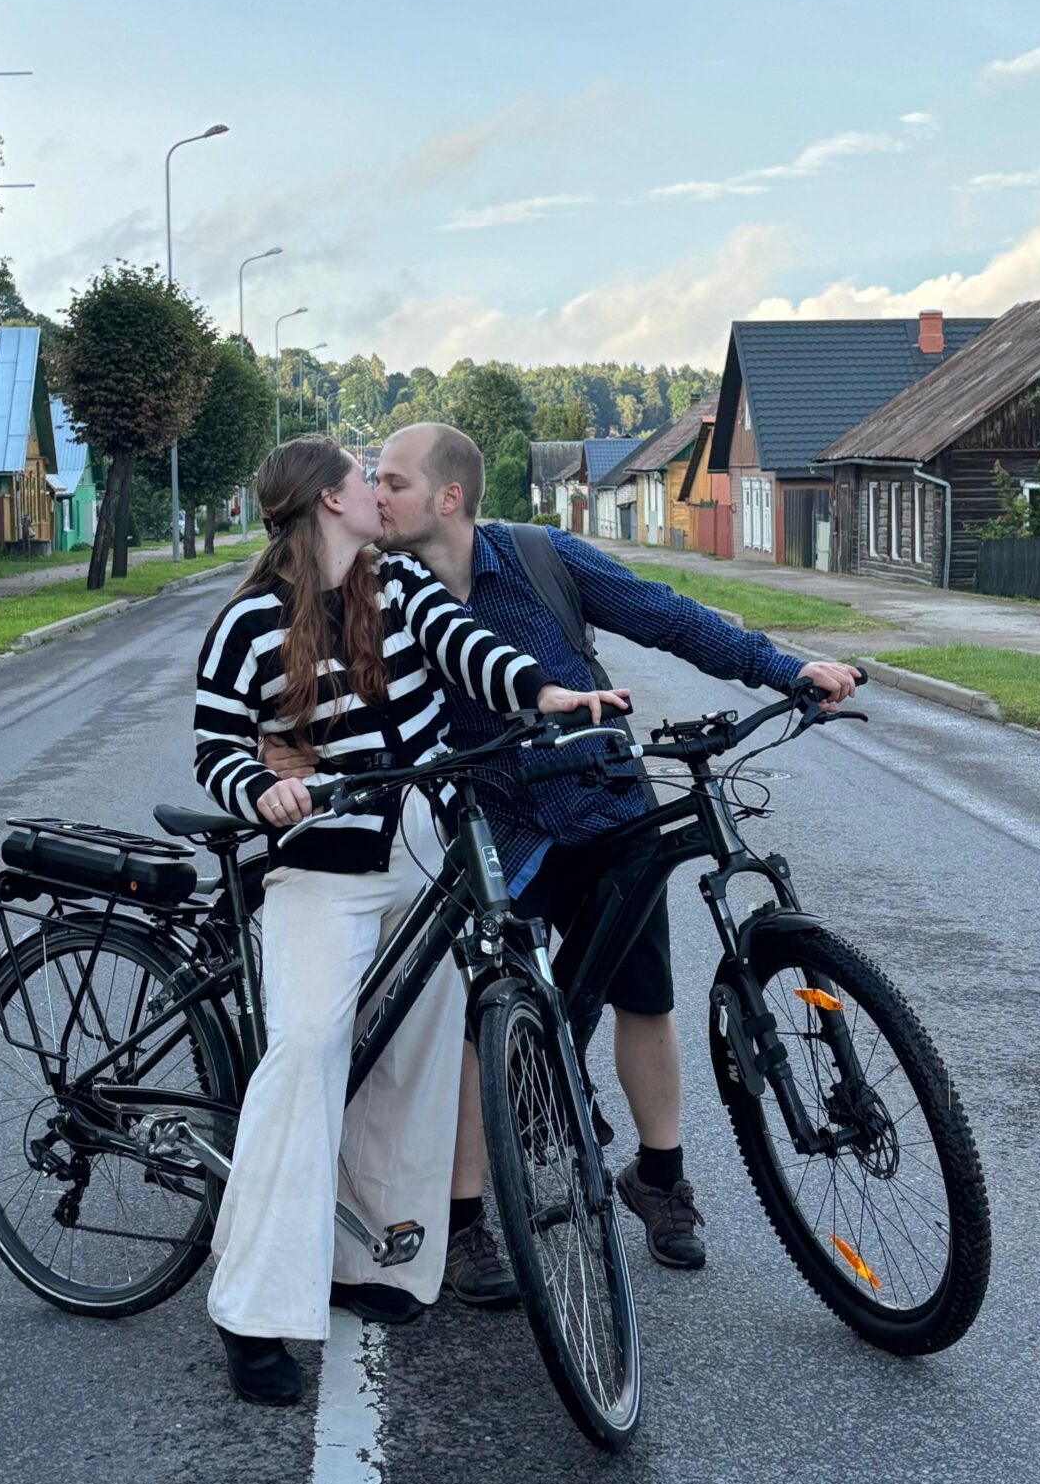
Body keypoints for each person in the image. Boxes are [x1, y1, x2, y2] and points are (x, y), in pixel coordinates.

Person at [367, 423, 857, 1293]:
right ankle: (465, 1218)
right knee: (488, 1016)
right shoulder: (387, 591)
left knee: (645, 995)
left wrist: (782, 669)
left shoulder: (538, 557)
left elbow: (663, 615)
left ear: (448, 497)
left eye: (392, 481)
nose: (376, 495)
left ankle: (659, 1178)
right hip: (495, 826)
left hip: (602, 802)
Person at [191, 435, 621, 1407]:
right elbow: (214, 743)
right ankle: (252, 1310)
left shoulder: (400, 588)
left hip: (424, 851)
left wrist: (548, 692)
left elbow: (472, 653)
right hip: (324, 868)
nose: (374, 491)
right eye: (360, 478)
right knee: (308, 1051)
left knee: (413, 1056)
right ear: (326, 502)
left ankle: (373, 1261)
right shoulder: (249, 622)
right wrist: (261, 787)